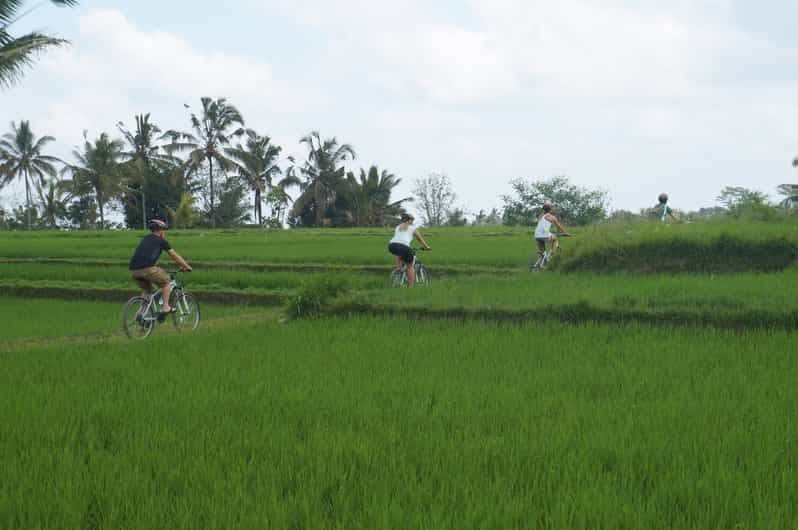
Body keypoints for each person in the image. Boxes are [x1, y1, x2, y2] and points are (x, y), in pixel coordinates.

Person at [129, 219, 192, 314]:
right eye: (164, 230)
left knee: (147, 290)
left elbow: (144, 255)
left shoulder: (145, 239)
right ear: (160, 230)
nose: (164, 232)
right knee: (167, 282)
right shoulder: (161, 241)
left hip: (134, 270)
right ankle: (166, 306)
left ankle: (141, 314)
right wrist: (186, 266)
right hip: (148, 269)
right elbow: (174, 256)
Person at [388, 213, 431, 287]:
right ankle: (411, 287)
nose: (412, 222)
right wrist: (427, 247)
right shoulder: (412, 228)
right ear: (408, 220)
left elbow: (400, 239)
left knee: (400, 253)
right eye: (412, 220)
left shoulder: (398, 227)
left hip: (392, 245)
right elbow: (420, 239)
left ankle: (399, 270)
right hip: (404, 246)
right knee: (410, 266)